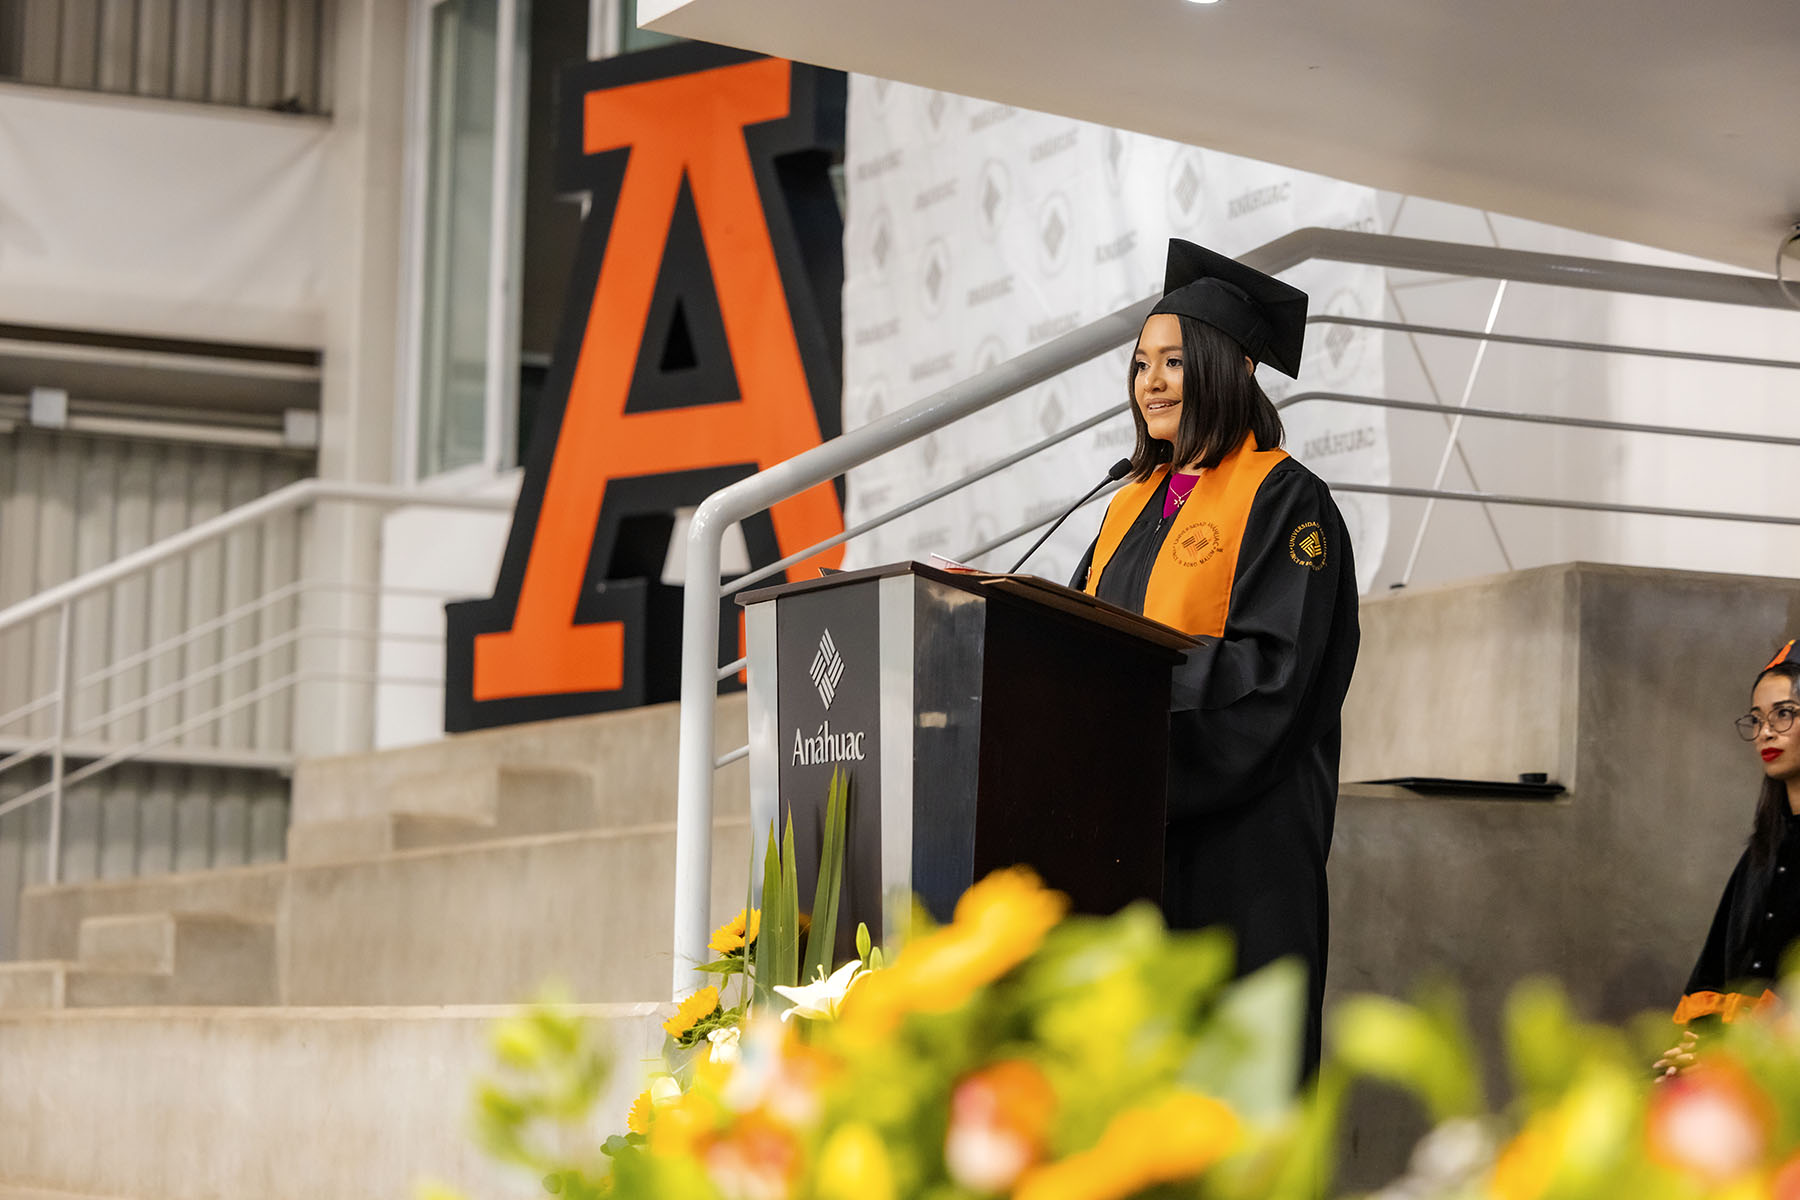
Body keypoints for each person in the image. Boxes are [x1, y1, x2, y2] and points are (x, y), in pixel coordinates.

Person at [1070, 239, 1360, 1076]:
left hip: (1243, 849)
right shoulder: (1126, 505)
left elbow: (1277, 673)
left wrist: (1123, 700)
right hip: (1131, 843)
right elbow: (1066, 645)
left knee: (1238, 1096)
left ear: (1228, 370)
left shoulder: (1285, 497)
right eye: (1139, 365)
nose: (1150, 383)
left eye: (1172, 362)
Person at [1657, 639, 1800, 1078]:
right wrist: (1692, 1054)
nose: (1765, 733)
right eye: (1756, 720)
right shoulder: (1761, 855)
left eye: (1784, 714)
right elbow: (1719, 973)